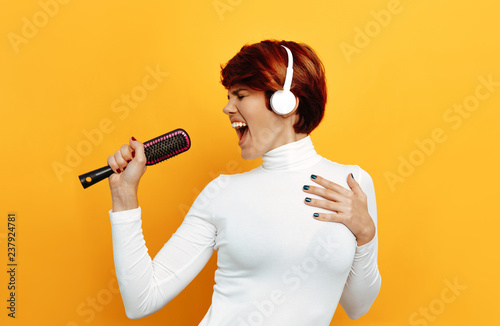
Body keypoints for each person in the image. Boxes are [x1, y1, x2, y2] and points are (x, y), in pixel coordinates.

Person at [106, 40, 381, 325]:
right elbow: (141, 300)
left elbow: (358, 306)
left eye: (240, 95)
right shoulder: (222, 192)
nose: (227, 108)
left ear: (284, 101)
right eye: (229, 97)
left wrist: (366, 234)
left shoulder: (352, 185)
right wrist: (124, 194)